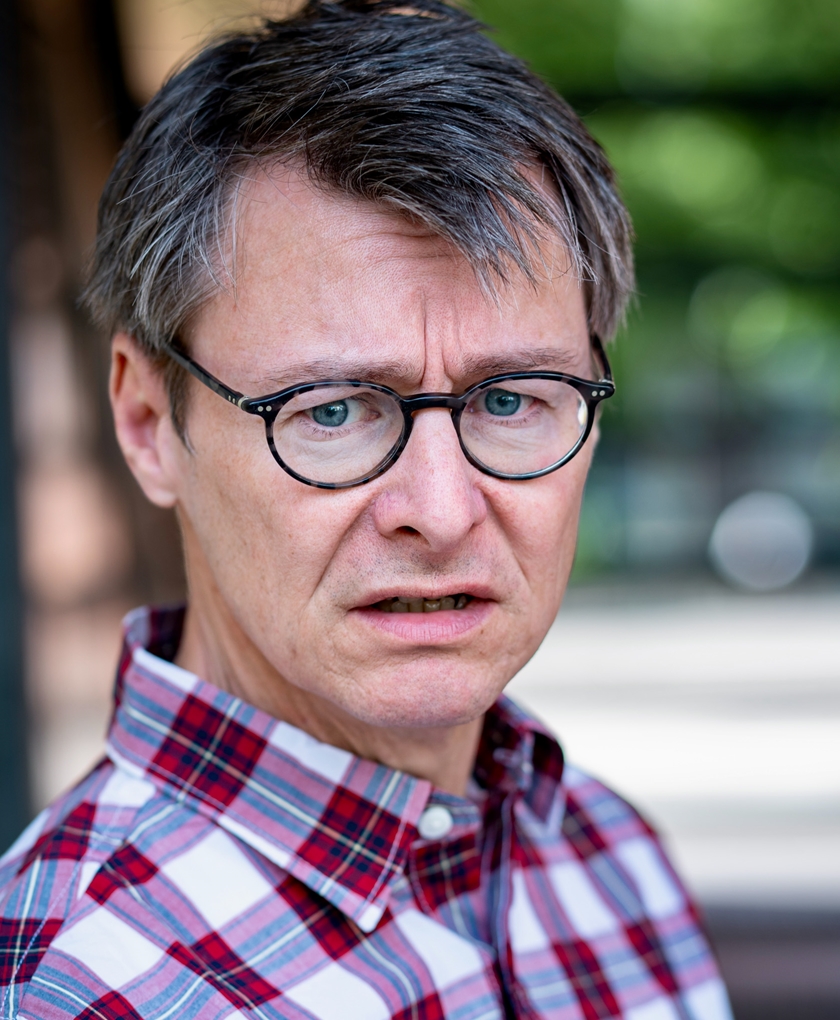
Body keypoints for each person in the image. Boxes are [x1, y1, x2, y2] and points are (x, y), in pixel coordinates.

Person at [0, 2, 732, 1018]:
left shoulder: (611, 861)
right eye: (333, 410)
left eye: (510, 399)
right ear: (146, 422)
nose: (441, 511)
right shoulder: (80, 988)